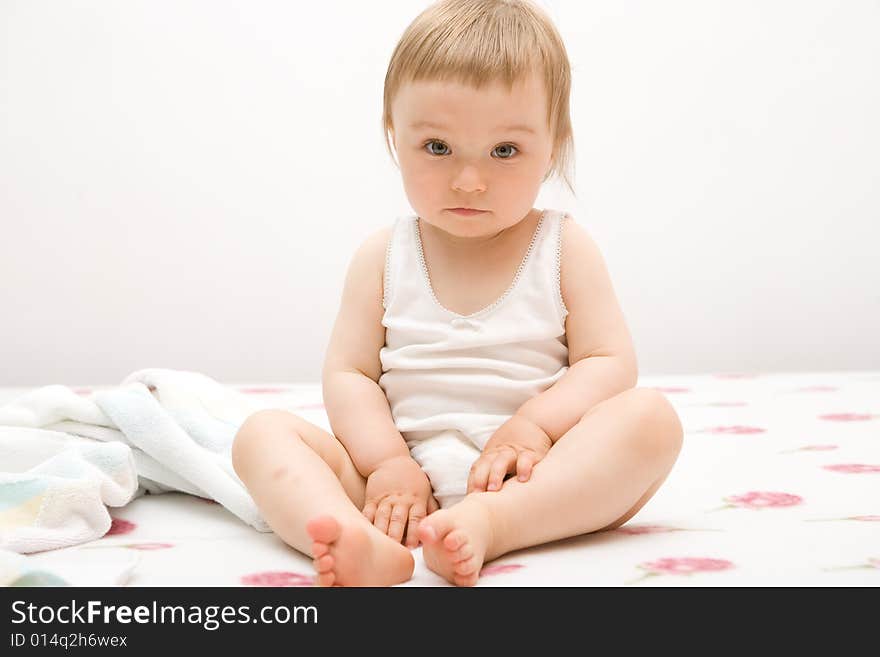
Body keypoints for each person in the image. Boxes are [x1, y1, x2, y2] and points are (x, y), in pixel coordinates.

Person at [231, 0, 683, 587]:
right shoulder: (383, 257)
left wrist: (535, 427)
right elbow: (351, 375)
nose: (469, 180)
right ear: (397, 138)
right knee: (261, 435)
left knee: (651, 420)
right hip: (390, 484)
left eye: (504, 151)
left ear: (554, 145)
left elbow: (608, 362)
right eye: (438, 148)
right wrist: (388, 463)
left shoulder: (563, 248)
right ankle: (357, 536)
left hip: (528, 476)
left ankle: (490, 524)